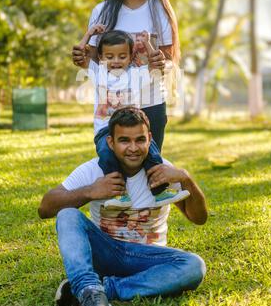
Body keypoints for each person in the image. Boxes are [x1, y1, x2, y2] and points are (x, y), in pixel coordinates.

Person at [38, 107, 207, 306]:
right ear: (111, 142)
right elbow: (45, 207)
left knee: (194, 266)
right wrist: (91, 191)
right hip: (108, 253)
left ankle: (98, 290)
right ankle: (89, 288)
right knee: (67, 214)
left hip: (148, 260)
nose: (133, 148)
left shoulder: (163, 171)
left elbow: (199, 218)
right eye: (124, 140)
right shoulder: (95, 170)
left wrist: (185, 178)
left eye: (140, 140)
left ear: (150, 139)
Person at [72, 0, 180, 155]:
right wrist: (80, 56)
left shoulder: (160, 11)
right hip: (113, 108)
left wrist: (161, 64)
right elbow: (93, 61)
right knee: (114, 167)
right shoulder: (101, 11)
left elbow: (169, 59)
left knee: (151, 166)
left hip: (152, 103)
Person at [77, 26, 189, 208]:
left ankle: (159, 192)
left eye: (122, 56)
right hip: (105, 129)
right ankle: (120, 195)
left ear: (130, 57)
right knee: (106, 156)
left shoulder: (137, 74)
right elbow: (81, 53)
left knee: (153, 154)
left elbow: (156, 66)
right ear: (101, 58)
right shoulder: (98, 72)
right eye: (109, 56)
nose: (115, 61)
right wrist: (89, 34)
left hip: (134, 129)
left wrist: (147, 43)